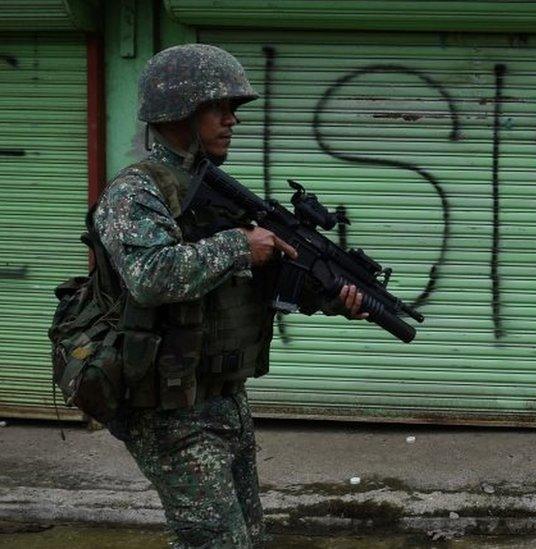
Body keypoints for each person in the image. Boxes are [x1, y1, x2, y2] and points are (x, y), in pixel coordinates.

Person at [92, 43, 365, 547]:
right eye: (219, 108)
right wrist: (240, 245)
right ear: (178, 110)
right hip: (169, 409)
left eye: (233, 110)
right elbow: (150, 277)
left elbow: (248, 283)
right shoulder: (136, 192)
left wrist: (330, 295)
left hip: (222, 398)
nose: (231, 121)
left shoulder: (209, 187)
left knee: (246, 538)